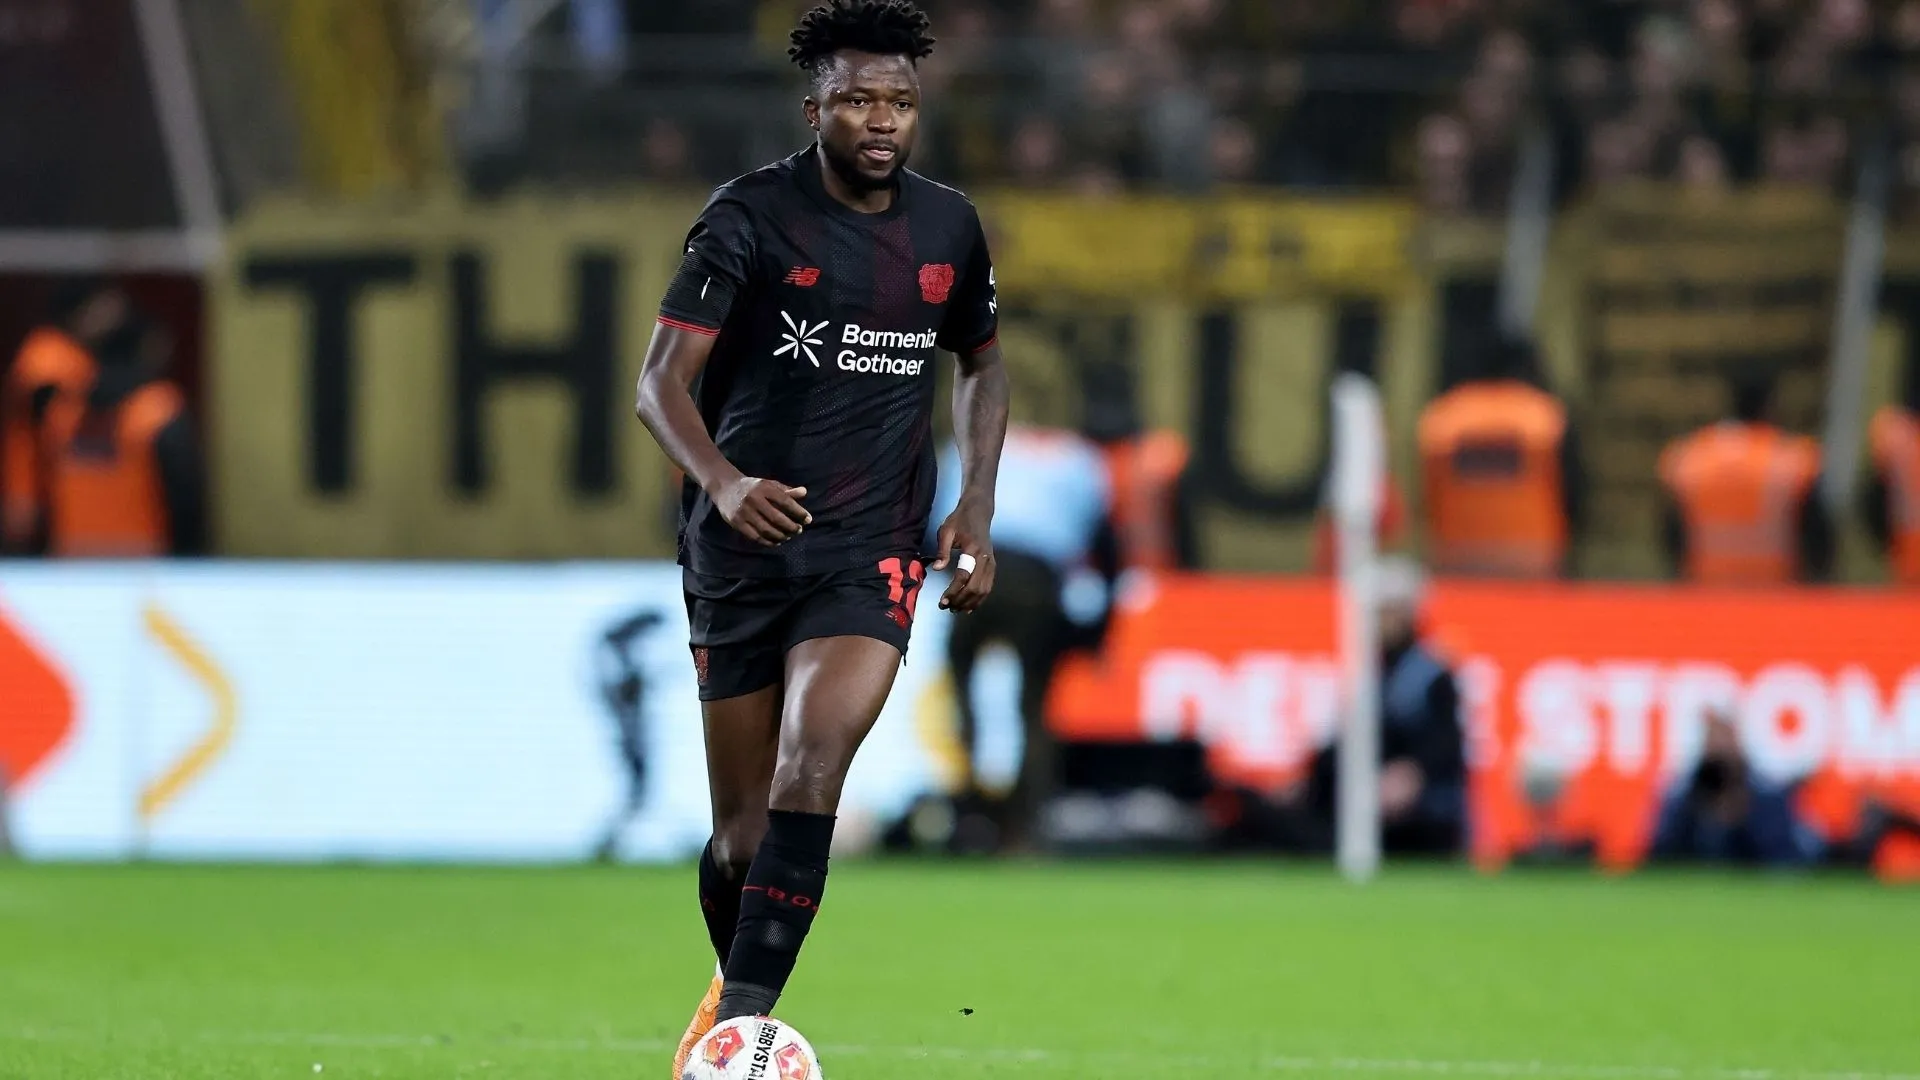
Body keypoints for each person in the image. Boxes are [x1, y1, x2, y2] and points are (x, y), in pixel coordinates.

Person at [630, 3, 1008, 1074]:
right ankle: (735, 987)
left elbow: (982, 362)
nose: (881, 119)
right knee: (740, 839)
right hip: (741, 546)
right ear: (815, 110)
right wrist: (726, 481)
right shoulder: (748, 218)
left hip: (872, 542)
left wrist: (974, 507)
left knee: (814, 762)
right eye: (856, 100)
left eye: (898, 100)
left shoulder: (949, 227)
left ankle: (742, 1032)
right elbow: (659, 383)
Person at [931, 423, 1113, 851]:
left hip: (974, 564)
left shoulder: (963, 445)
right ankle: (1025, 829)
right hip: (1038, 577)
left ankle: (968, 812)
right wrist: (1098, 628)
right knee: (1032, 706)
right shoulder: (1079, 457)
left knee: (961, 688)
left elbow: (933, 523)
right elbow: (1102, 543)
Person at [1267, 557, 1468, 856]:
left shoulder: (1432, 675)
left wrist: (1413, 773)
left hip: (1419, 810)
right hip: (1367, 798)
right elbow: (1347, 742)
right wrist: (1307, 781)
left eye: (1384, 613)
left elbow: (1446, 743)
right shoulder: (1371, 674)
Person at [37, 315, 206, 558]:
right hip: (144, 571)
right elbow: (186, 500)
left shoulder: (62, 411)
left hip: (72, 568)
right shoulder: (158, 410)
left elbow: (43, 490)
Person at [1416, 338, 1583, 578]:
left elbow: (1426, 493)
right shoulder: (1545, 415)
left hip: (1457, 557)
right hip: (1534, 557)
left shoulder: (1442, 417)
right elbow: (1572, 490)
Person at [1658, 370, 1830, 585]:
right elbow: (1816, 531)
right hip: (1776, 591)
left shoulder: (1692, 456)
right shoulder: (1791, 459)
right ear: (1769, 406)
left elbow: (1672, 530)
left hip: (1705, 590)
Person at [2, 279, 129, 552]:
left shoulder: (78, 352)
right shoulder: (47, 352)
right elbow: (42, 419)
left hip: (57, 481)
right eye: (103, 307)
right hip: (34, 484)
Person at [1650, 710, 1824, 868]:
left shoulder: (1761, 791)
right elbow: (1662, 848)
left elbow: (1783, 852)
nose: (1719, 746)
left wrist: (1742, 808)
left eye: (1723, 737)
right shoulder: (1686, 790)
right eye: (1713, 738)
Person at [1863, 401, 1919, 586]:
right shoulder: (1894, 432)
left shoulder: (1893, 431)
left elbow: (1874, 497)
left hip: (1906, 553)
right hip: (1905, 555)